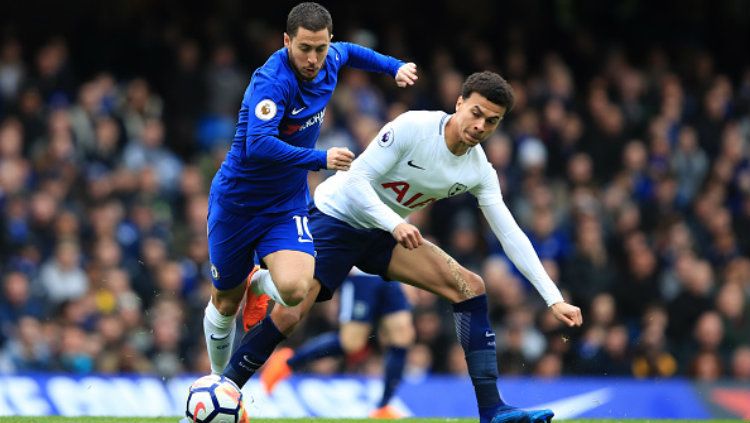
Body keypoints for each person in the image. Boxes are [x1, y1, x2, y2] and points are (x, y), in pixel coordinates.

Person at [225, 71, 582, 423]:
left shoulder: (478, 170)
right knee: (289, 314)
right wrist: (394, 222)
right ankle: (224, 389)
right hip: (337, 217)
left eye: (492, 121)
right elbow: (356, 180)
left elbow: (510, 233)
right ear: (459, 103)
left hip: (384, 234)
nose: (480, 126)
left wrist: (553, 297)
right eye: (475, 113)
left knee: (470, 288)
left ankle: (492, 411)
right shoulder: (414, 127)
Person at [202, 1, 418, 376]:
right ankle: (218, 383)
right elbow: (259, 145)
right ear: (287, 41)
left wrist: (393, 66)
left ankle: (228, 385)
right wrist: (321, 158)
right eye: (304, 48)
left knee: (296, 289)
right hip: (237, 202)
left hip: (285, 203)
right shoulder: (272, 81)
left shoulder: (331, 57)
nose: (314, 58)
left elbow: (350, 52)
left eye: (320, 48)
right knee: (225, 302)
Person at [261, 272, 414, 419]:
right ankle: (289, 361)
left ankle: (383, 407)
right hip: (363, 273)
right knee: (351, 343)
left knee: (402, 335)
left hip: (389, 273)